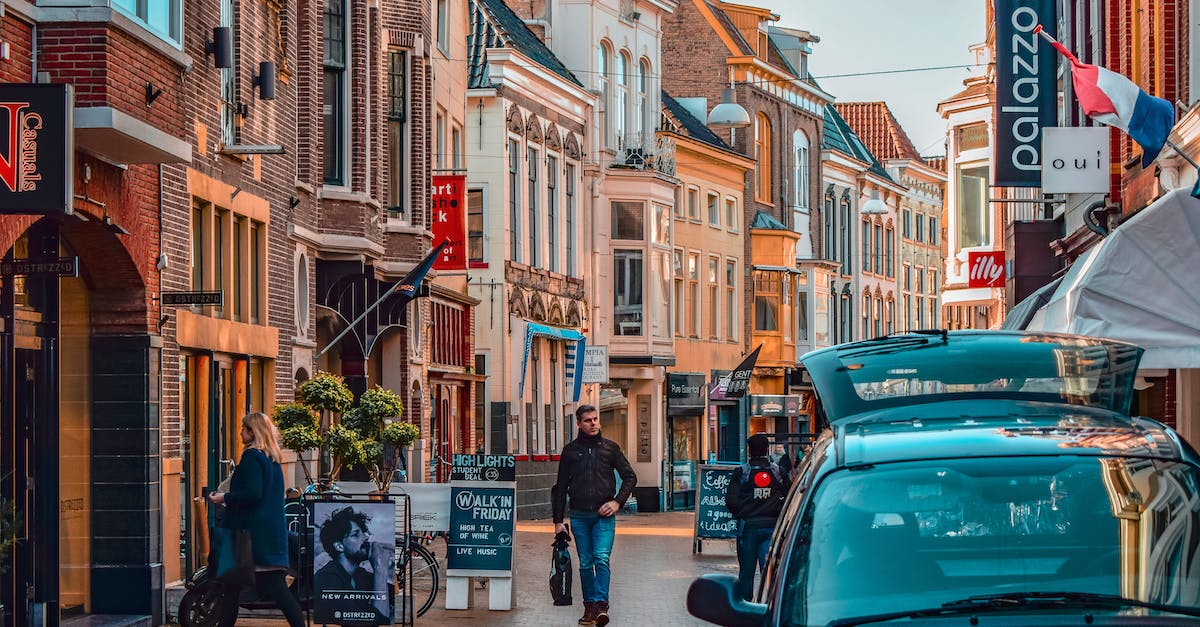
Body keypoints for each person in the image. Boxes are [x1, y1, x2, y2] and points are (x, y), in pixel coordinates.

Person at [207, 412, 305, 627]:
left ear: (252, 432)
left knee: (243, 589)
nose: (240, 432)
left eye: (244, 428)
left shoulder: (252, 457)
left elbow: (253, 493)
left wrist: (224, 497)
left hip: (249, 537)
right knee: (236, 590)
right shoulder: (272, 458)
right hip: (267, 535)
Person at [551, 405, 638, 627]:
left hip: (603, 516)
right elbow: (560, 487)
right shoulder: (570, 451)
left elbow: (630, 477)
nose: (593, 423)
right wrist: (558, 522)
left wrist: (617, 502)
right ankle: (589, 607)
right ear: (579, 424)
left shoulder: (610, 448)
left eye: (595, 419)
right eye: (588, 420)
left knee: (601, 558)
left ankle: (601, 605)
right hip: (579, 516)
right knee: (585, 563)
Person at [725, 433, 789, 601]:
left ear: (749, 450)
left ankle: (745, 608)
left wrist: (743, 513)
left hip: (748, 529)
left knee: (746, 573)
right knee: (769, 573)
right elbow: (789, 495)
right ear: (767, 449)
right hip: (772, 528)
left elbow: (731, 500)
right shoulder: (778, 472)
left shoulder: (742, 472)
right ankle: (770, 607)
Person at [313, 506, 395, 624]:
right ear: (339, 546)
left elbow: (395, 598)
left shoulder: (360, 575)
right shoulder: (326, 579)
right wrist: (380, 569)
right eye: (356, 534)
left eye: (363, 533)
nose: (366, 537)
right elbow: (375, 622)